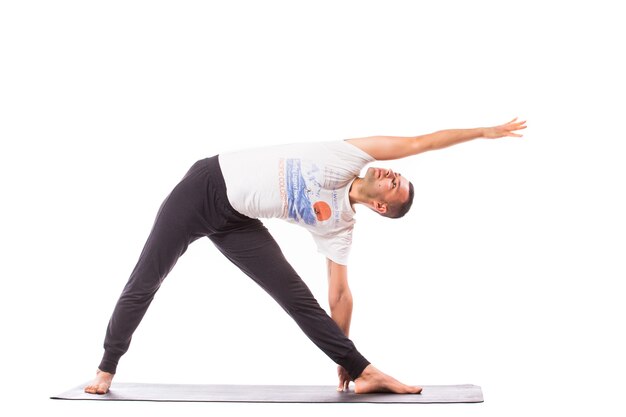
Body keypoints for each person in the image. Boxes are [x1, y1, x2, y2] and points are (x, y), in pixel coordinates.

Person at [84, 118, 527, 395]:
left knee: (297, 300)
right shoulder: (346, 158)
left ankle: (363, 370)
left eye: (395, 187)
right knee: (147, 279)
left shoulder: (339, 225)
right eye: (398, 177)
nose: (394, 174)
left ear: (380, 207)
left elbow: (340, 294)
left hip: (238, 221)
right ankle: (107, 368)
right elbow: (419, 142)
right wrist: (484, 132)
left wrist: (342, 355)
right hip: (202, 188)